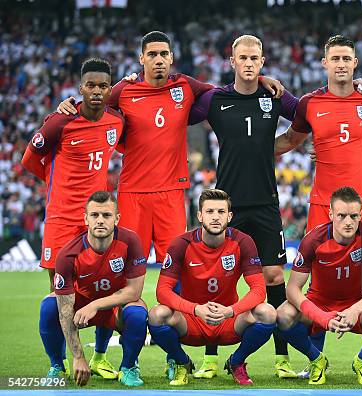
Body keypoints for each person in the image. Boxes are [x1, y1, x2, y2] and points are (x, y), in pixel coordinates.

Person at [56, 31, 283, 265]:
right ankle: (125, 304)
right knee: (126, 264)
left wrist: (261, 80)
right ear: (141, 58)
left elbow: (227, 91)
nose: (159, 59)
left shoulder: (185, 85)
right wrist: (70, 103)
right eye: (152, 54)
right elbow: (92, 103)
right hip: (133, 192)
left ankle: (171, 304)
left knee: (175, 265)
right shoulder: (124, 90)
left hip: (172, 193)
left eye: (164, 54)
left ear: (172, 57)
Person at [187, 34, 299, 379]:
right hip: (226, 204)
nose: (249, 64)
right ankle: (209, 356)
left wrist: (273, 146)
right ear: (232, 62)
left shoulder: (274, 95)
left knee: (274, 275)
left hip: (265, 202)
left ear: (262, 62)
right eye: (243, 58)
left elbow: (307, 115)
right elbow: (178, 109)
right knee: (218, 278)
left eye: (255, 58)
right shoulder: (215, 99)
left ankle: (282, 359)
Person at [23, 58, 125, 380]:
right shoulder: (60, 121)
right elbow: (29, 161)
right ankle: (59, 361)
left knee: (105, 287)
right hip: (61, 220)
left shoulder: (116, 121)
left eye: (103, 86)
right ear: (80, 88)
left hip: (96, 219)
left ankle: (99, 356)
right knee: (60, 297)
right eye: (90, 86)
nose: (96, 92)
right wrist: (57, 181)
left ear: (110, 90)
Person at [148, 189, 276, 386]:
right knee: (157, 314)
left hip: (228, 320)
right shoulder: (181, 244)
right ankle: (182, 362)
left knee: (267, 313)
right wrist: (195, 309)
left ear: (230, 216)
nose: (215, 217)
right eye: (209, 212)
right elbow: (162, 291)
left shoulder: (243, 242)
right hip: (191, 320)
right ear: (200, 215)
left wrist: (230, 311)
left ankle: (237, 362)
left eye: (221, 212)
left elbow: (259, 290)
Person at [276, 187, 362, 386]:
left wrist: (354, 310)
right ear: (331, 214)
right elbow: (292, 290)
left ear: (360, 215)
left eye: (353, 216)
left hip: (358, 302)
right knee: (282, 315)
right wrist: (321, 317)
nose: (348, 222)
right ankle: (317, 360)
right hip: (320, 304)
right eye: (341, 215)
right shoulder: (313, 239)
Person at [275, 35, 362, 233]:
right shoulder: (309, 103)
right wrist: (253, 149)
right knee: (318, 263)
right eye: (335, 59)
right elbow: (289, 140)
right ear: (324, 63)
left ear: (354, 63)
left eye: (346, 59)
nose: (341, 64)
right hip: (323, 203)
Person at [46, 191, 148, 387]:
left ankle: (128, 368)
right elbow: (65, 310)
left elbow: (134, 292)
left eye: (107, 215)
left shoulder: (130, 241)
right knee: (50, 305)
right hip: (81, 306)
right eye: (95, 215)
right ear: (86, 218)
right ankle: (58, 366)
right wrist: (78, 356)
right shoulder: (68, 255)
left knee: (137, 311)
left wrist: (96, 305)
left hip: (113, 307)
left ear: (117, 218)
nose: (100, 220)